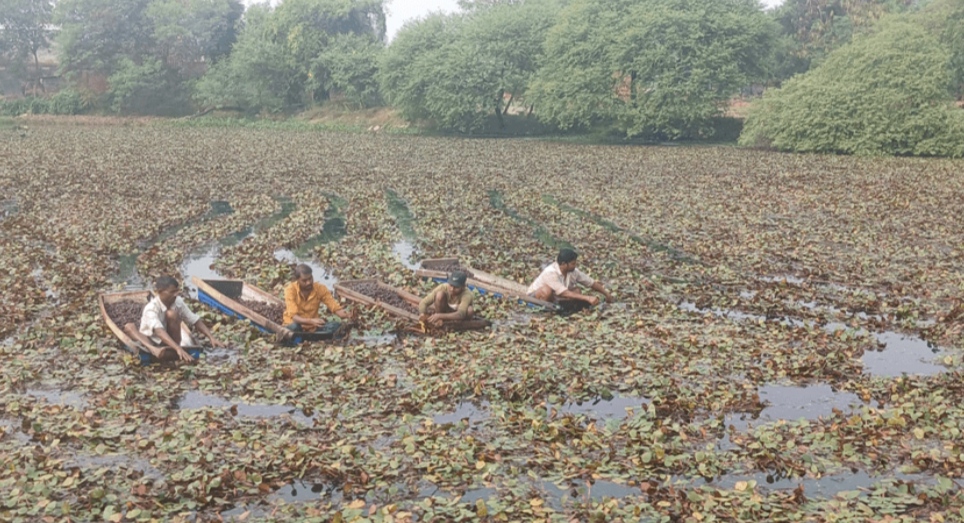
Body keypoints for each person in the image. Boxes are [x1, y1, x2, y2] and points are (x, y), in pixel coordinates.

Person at [128, 275, 224, 363]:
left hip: (171, 342)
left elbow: (194, 319)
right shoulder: (151, 308)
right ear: (160, 292)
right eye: (172, 292)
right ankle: (166, 350)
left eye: (176, 291)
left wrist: (211, 337)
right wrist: (178, 348)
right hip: (152, 340)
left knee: (172, 314)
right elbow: (159, 331)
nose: (175, 294)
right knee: (131, 329)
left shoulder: (177, 301)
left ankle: (173, 349)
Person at [527, 248, 614, 307]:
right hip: (533, 297)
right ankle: (544, 310)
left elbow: (590, 283)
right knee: (547, 290)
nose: (575, 266)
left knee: (577, 290)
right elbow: (564, 292)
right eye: (573, 264)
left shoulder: (573, 271)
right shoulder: (550, 272)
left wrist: (606, 294)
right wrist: (587, 298)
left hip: (555, 296)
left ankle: (560, 307)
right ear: (564, 264)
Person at [283, 264, 350, 335]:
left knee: (336, 326)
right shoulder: (290, 290)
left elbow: (335, 307)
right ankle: (299, 338)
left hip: (313, 327)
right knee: (294, 328)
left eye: (310, 278)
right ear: (297, 280)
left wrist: (349, 315)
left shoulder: (320, 288)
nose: (308, 282)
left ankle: (309, 337)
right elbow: (294, 317)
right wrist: (311, 321)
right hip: (295, 326)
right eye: (304, 281)